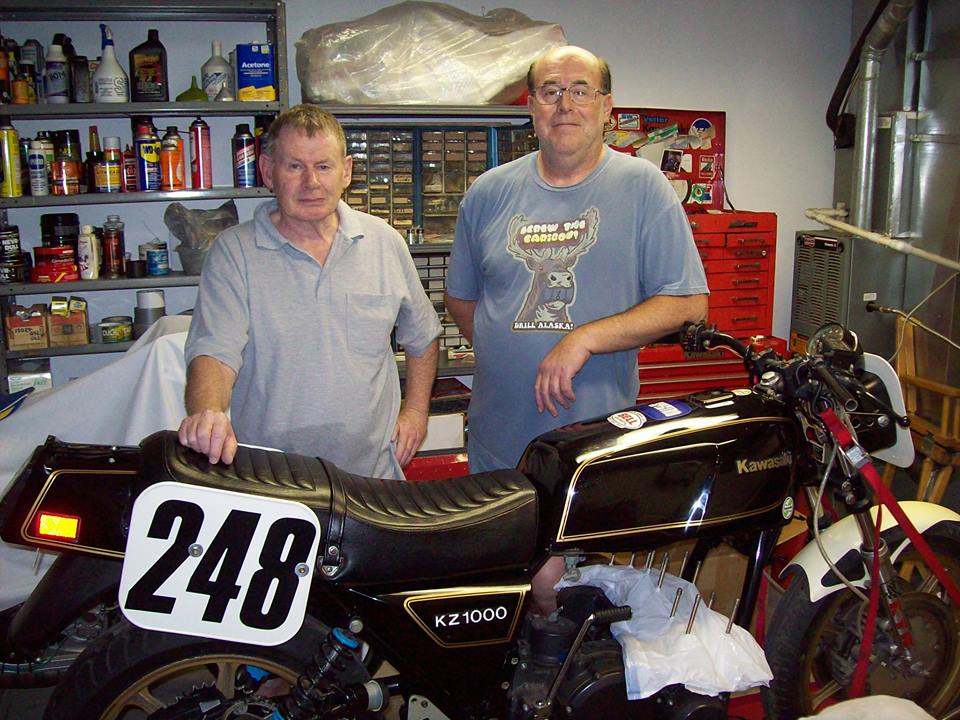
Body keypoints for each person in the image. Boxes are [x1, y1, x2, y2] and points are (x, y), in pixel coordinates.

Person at [444, 46, 709, 611]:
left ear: (607, 107)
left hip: (589, 446)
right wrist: (509, 353)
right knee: (498, 588)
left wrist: (581, 339)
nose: (565, 104)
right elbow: (462, 298)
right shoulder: (488, 193)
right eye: (550, 90)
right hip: (498, 438)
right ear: (532, 107)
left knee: (563, 594)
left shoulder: (644, 188)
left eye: (581, 90)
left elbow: (688, 302)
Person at [178, 104, 441, 481]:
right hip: (271, 480)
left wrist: (415, 412)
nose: (311, 182)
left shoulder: (384, 242)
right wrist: (208, 412)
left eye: (323, 166)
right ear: (268, 171)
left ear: (346, 171)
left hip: (373, 478)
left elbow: (423, 337)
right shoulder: (235, 252)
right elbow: (215, 352)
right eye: (294, 166)